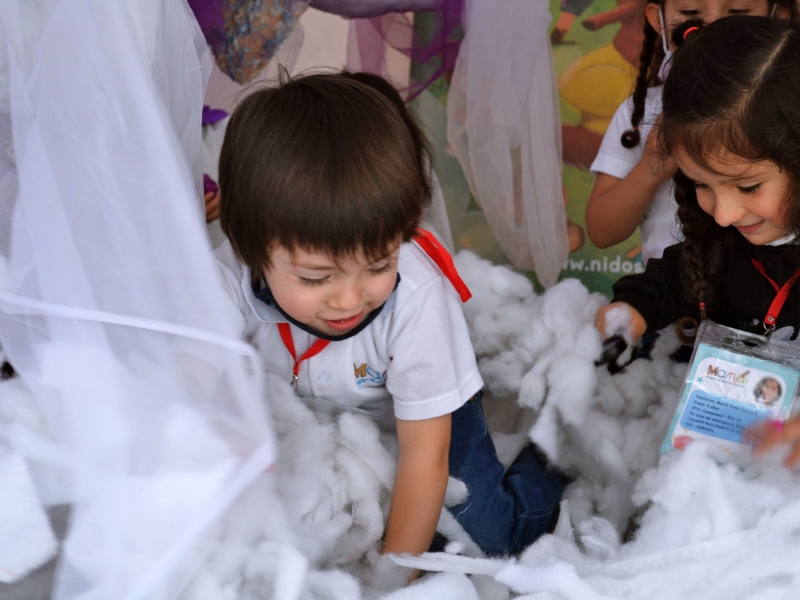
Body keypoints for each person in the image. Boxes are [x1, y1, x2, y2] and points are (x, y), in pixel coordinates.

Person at [213, 73, 567, 569]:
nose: (351, 298)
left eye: (379, 266)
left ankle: (552, 460)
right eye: (317, 278)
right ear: (250, 248)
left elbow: (425, 454)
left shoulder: (418, 292)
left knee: (485, 541)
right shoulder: (222, 278)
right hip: (322, 412)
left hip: (431, 421)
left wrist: (390, 577)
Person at [592, 16, 800, 458]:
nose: (723, 215)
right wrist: (633, 308)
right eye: (702, 185)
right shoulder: (724, 243)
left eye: (747, 187)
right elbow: (674, 276)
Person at [584, 0, 792, 265]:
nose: (712, 28)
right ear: (657, 19)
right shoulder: (640, 113)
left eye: (738, 12)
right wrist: (652, 165)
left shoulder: (786, 103)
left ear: (779, 16)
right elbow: (602, 232)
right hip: (669, 295)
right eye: (690, 13)